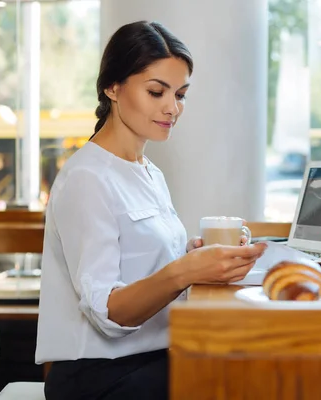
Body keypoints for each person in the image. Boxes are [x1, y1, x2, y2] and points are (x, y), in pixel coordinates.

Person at [35, 20, 267, 400]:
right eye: (157, 91)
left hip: (150, 359)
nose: (172, 108)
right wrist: (185, 271)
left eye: (181, 94)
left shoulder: (147, 171)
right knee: (242, 379)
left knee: (248, 364)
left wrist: (197, 258)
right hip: (100, 378)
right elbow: (108, 312)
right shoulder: (87, 178)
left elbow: (142, 266)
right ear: (112, 87)